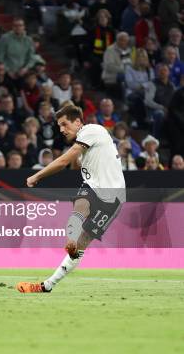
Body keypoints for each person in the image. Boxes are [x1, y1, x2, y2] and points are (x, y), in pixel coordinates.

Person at [18, 105, 126, 293]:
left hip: (113, 197)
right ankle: (68, 244)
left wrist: (37, 176)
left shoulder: (92, 130)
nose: (61, 130)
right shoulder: (85, 148)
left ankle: (49, 284)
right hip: (93, 187)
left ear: (78, 121)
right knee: (80, 204)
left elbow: (63, 161)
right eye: (59, 126)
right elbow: (76, 163)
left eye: (64, 124)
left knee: (83, 243)